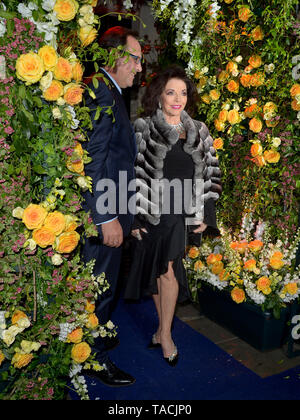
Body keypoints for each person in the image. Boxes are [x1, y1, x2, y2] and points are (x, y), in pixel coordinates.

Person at [124, 66, 222, 366]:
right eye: (171, 92)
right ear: (159, 96)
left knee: (168, 269)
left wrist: (206, 213)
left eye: (182, 93)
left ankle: (165, 335)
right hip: (150, 211)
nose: (177, 98)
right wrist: (133, 218)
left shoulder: (199, 130)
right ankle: (160, 330)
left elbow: (211, 174)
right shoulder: (143, 127)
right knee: (156, 270)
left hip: (179, 214)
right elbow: (129, 174)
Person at [81, 26, 142, 386]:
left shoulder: (107, 90)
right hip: (104, 214)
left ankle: (96, 337)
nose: (139, 67)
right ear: (116, 57)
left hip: (114, 208)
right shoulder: (102, 94)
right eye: (135, 59)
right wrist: (106, 218)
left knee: (102, 285)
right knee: (99, 288)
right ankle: (93, 359)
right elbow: (94, 162)